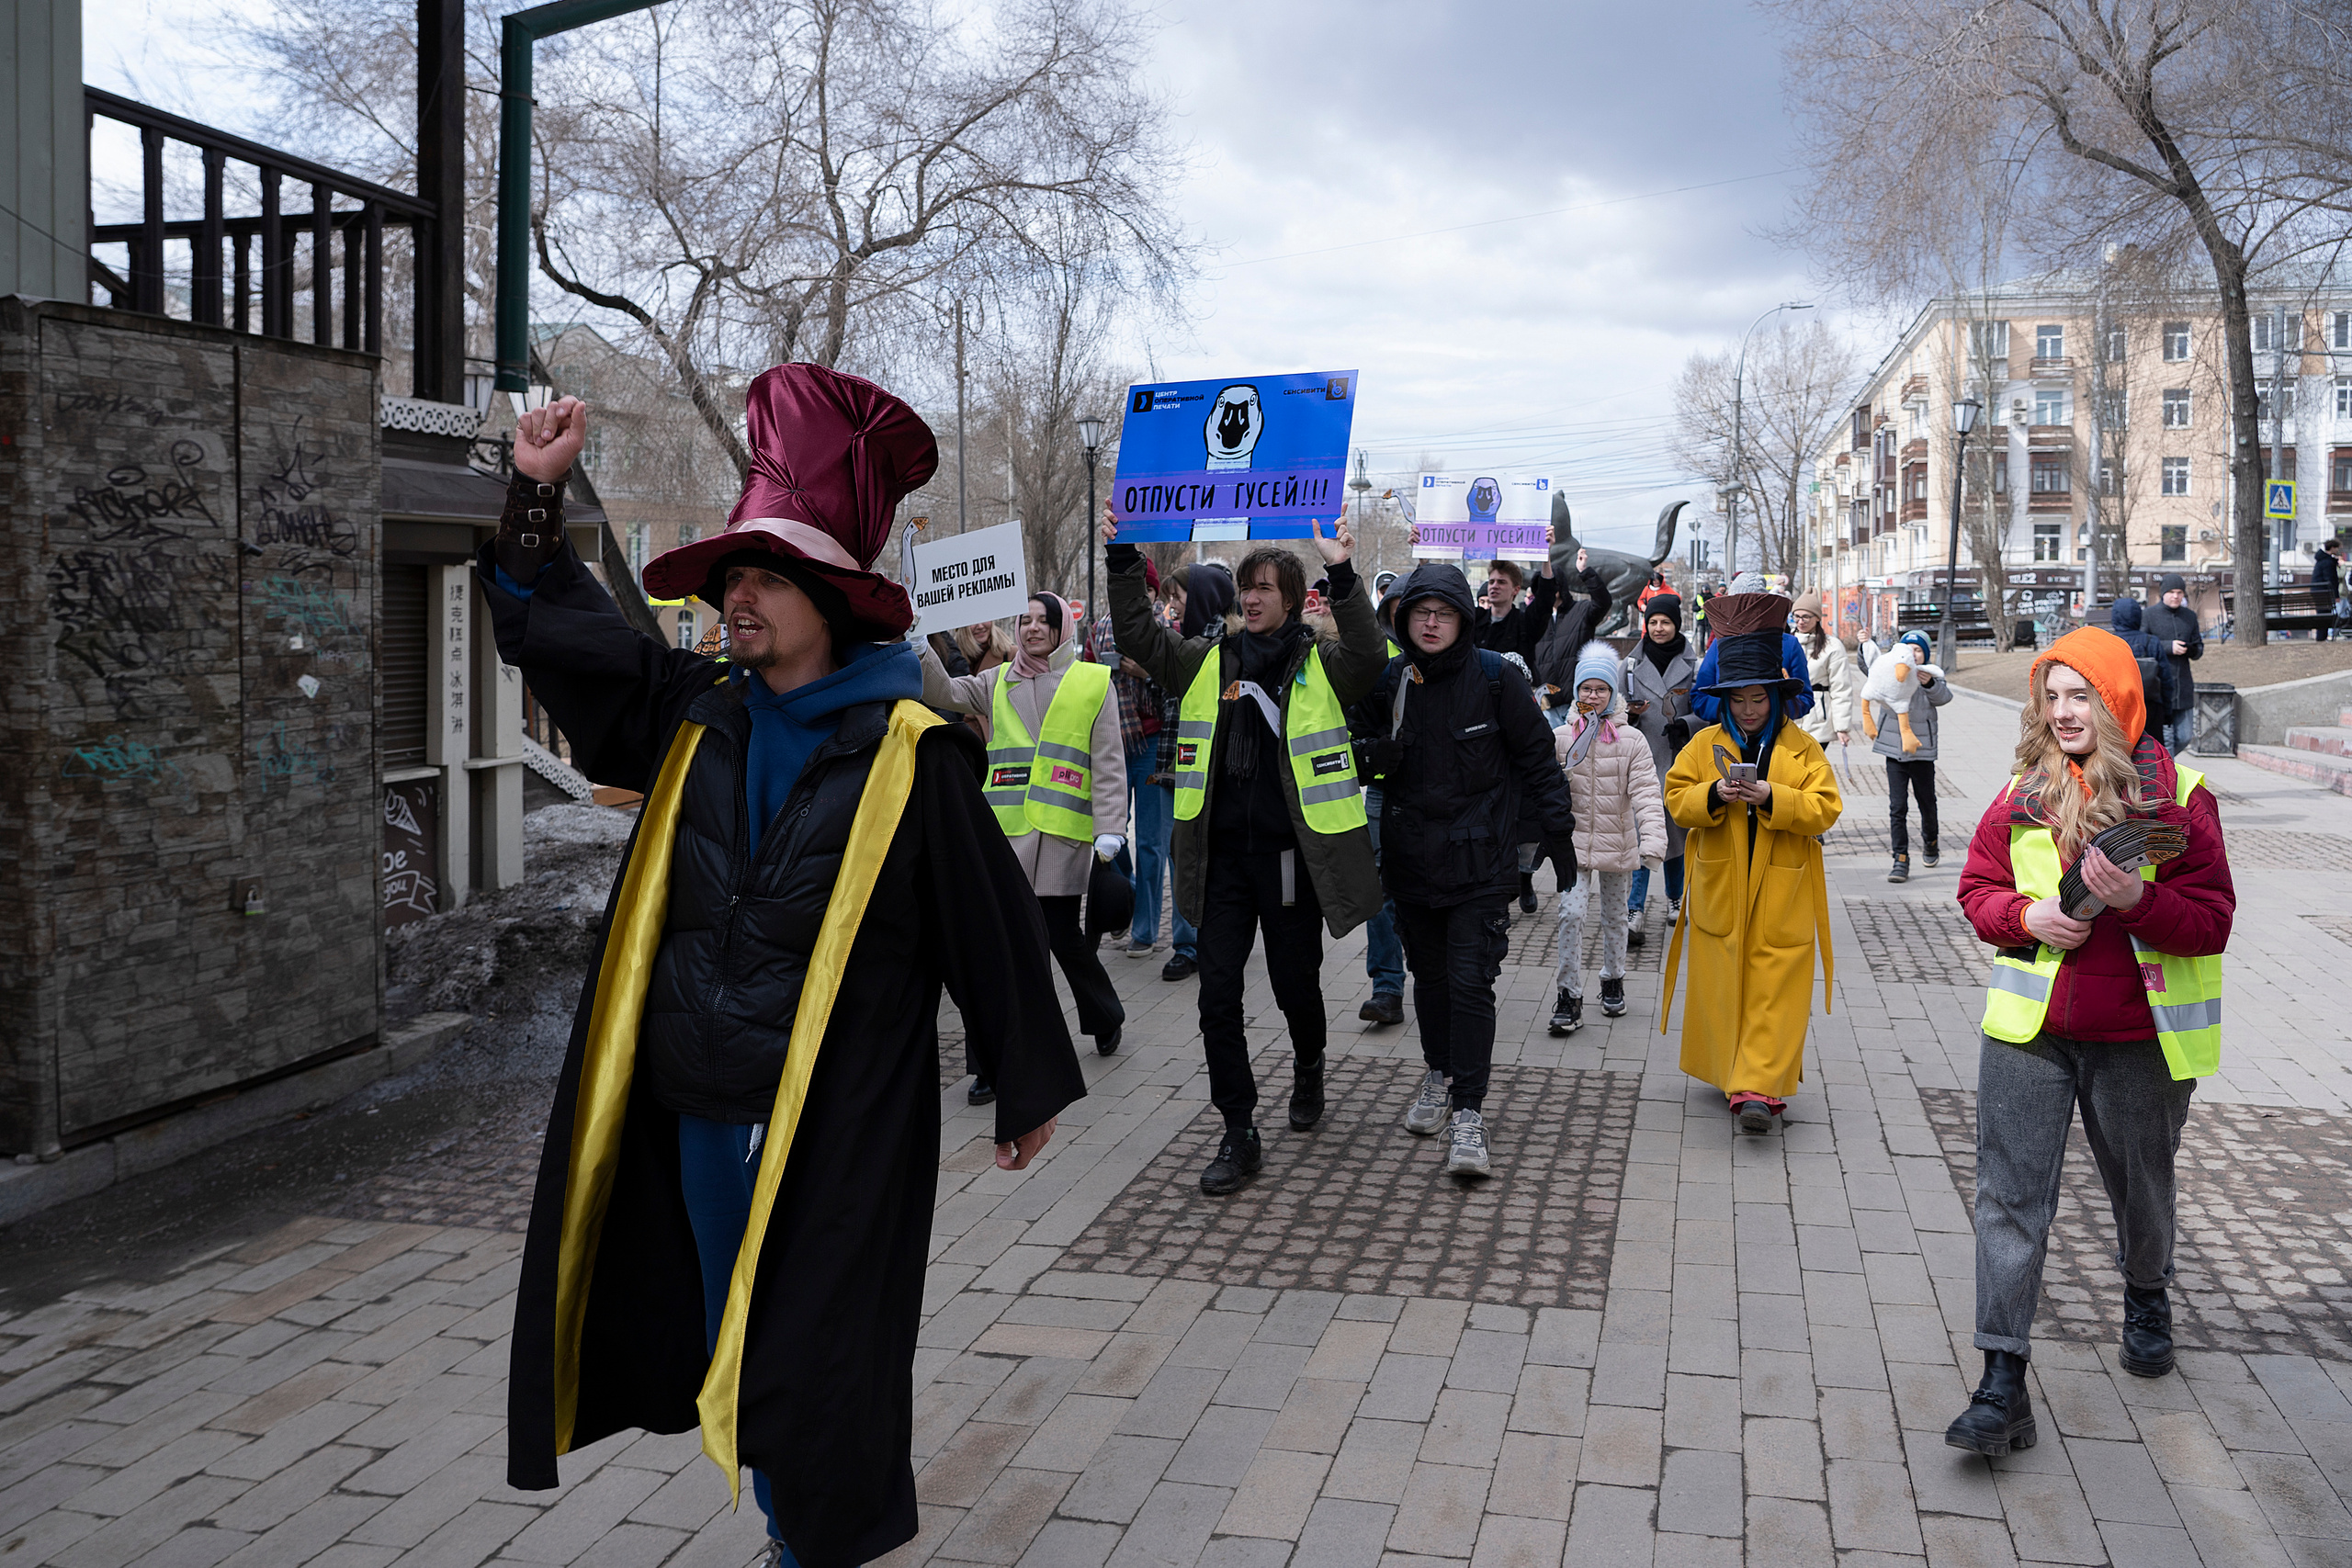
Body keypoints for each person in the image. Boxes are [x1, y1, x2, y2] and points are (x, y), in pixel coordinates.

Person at [490, 372, 1083, 1568]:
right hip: (699, 1107)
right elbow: (565, 634)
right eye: (730, 578)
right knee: (734, 1337)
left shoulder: (912, 753)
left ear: (829, 599)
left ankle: (811, 1545)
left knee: (814, 1359)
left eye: (761, 576)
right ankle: (785, 1530)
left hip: (832, 1124)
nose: (735, 597)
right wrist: (534, 499)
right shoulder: (697, 710)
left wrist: (1026, 1084)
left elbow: (987, 923)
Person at [1944, 626, 2233, 1457]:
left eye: (2081, 696)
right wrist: (2026, 916)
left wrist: (2139, 900)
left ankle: (2146, 1292)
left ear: (2118, 703)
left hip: (2139, 1037)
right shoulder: (2022, 792)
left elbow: (2212, 922)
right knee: (2008, 1198)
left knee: (2142, 1187)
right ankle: (2001, 1381)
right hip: (2029, 1033)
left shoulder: (2180, 798)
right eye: (2052, 697)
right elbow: (1977, 890)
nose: (2064, 712)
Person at [1103, 510, 1385, 1195]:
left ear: (1290, 598)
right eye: (1246, 588)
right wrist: (1121, 555)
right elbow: (1139, 634)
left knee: (1295, 987)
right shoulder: (1207, 658)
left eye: (1265, 588)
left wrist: (1343, 570)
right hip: (1221, 860)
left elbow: (1371, 656)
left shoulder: (1319, 662)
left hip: (1289, 862)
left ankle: (1309, 1064)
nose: (1252, 598)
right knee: (1216, 999)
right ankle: (1239, 1129)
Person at [1371, 563, 1577, 1177]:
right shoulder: (1392, 679)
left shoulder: (1495, 678)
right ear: (1405, 619)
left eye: (1444, 613)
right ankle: (1438, 1074)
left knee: (1469, 983)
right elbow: (1352, 747)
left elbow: (1539, 759)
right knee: (1430, 980)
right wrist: (1373, 755)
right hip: (1411, 861)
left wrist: (1559, 837)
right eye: (1420, 612)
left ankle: (1469, 1112)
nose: (1431, 623)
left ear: (1464, 619)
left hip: (1480, 863)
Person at [919, 591, 1129, 1078]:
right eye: (1025, 620)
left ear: (1061, 629)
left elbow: (1109, 764)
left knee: (1062, 938)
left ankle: (1103, 1014)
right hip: (1006, 836)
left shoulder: (1092, 682)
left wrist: (1111, 829)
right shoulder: (996, 680)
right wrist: (919, 645)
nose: (1032, 628)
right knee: (999, 948)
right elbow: (942, 692)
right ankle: (988, 1065)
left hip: (1060, 837)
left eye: (1043, 620)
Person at [1659, 592, 1843, 1134]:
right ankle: (1733, 1072)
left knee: (1774, 985)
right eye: (1738, 699)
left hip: (1781, 890)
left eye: (1758, 698)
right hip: (1721, 885)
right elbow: (1677, 799)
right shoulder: (1704, 745)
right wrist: (1713, 795)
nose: (1748, 709)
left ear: (1777, 696)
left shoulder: (1803, 749)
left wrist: (1773, 798)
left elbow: (1826, 808)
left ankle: (1758, 1087)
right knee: (1722, 984)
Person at [1548, 644, 1666, 1034]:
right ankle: (1568, 994)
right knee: (1571, 914)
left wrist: (1652, 842)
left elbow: (1647, 792)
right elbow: (1542, 789)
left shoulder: (1631, 740)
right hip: (1574, 844)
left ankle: (1613, 978)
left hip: (1618, 843)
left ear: (1613, 694)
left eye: (1601, 689)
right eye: (1586, 688)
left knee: (1616, 918)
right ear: (1576, 691)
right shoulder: (1561, 737)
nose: (1593, 696)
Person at [1154, 562, 1233, 982]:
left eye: (1178, 595)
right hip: (1176, 764)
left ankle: (1215, 939)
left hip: (1217, 772)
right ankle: (1186, 946)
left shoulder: (1229, 642)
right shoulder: (1179, 639)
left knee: (1213, 857)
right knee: (1179, 853)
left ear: (1202, 596)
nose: (1173, 604)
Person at [1349, 580, 1410, 1026]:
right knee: (1380, 889)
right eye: (1397, 609)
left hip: (1445, 797)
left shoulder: (1460, 660)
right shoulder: (1374, 661)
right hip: (1384, 792)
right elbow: (1354, 727)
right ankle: (1386, 986)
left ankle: (1445, 980)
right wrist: (1371, 751)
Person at [1623, 593, 1698, 949]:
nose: (1658, 628)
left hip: (1680, 759)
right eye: (1652, 622)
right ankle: (1634, 908)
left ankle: (1675, 899)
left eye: (1665, 622)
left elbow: (1705, 707)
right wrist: (1629, 716)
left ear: (1676, 625)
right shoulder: (1629, 665)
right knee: (1643, 836)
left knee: (1677, 835)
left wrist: (1687, 724)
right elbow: (1613, 708)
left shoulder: (1694, 664)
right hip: (1642, 760)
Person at [1870, 629, 1953, 884]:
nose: (1913, 654)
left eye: (1918, 650)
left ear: (1925, 655)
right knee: (1898, 807)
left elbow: (1945, 697)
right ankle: (1900, 858)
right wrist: (1865, 646)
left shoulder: (1931, 675)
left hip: (1922, 751)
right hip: (1894, 750)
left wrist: (1929, 684)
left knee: (1926, 802)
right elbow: (1869, 669)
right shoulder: (1891, 671)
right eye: (1908, 649)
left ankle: (1931, 842)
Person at [1527, 547, 1614, 727]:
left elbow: (1603, 602)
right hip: (1545, 705)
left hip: (1577, 704)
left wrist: (1585, 572)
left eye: (1552, 584)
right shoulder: (1534, 619)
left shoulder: (1581, 611)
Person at [2138, 574, 2204, 756]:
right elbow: (2142, 645)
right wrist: (2168, 647)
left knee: (2184, 736)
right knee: (2162, 739)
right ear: (2163, 594)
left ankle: (2167, 761)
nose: (2176, 596)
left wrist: (2190, 649)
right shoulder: (2148, 615)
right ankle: (2167, 766)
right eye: (2171, 592)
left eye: (2179, 592)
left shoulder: (2190, 616)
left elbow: (2199, 649)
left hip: (2183, 687)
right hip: (2158, 687)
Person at [1789, 592, 1855, 755]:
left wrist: (1842, 727)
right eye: (1796, 616)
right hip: (1789, 713)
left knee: (1812, 764)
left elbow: (1841, 688)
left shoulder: (1832, 646)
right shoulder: (1786, 642)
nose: (1800, 621)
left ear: (1817, 618)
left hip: (1818, 718)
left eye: (1806, 617)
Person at [1473, 556, 1558, 661]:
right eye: (1491, 582)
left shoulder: (1524, 623)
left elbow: (1545, 599)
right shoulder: (1476, 619)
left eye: (1501, 582)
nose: (1494, 586)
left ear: (1516, 590)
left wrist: (1545, 556)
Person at [2316, 537, 2345, 640]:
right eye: (2337, 548)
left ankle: (2321, 637)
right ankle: (2321, 637)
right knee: (2325, 615)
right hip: (2324, 593)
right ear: (2332, 548)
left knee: (2322, 615)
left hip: (2318, 591)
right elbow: (2331, 580)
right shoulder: (2328, 562)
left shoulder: (2322, 560)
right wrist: (2336, 595)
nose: (2337, 550)